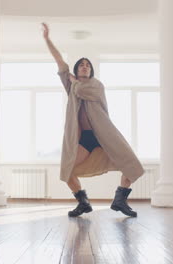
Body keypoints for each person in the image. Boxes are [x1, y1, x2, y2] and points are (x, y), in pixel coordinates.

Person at [42, 23, 144, 217]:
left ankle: (120, 200)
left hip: (105, 135)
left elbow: (81, 89)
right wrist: (47, 40)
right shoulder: (71, 84)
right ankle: (83, 202)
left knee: (131, 164)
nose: (85, 66)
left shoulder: (96, 85)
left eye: (88, 65)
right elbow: (60, 63)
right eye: (81, 64)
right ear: (76, 69)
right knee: (67, 170)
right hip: (85, 138)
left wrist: (74, 82)